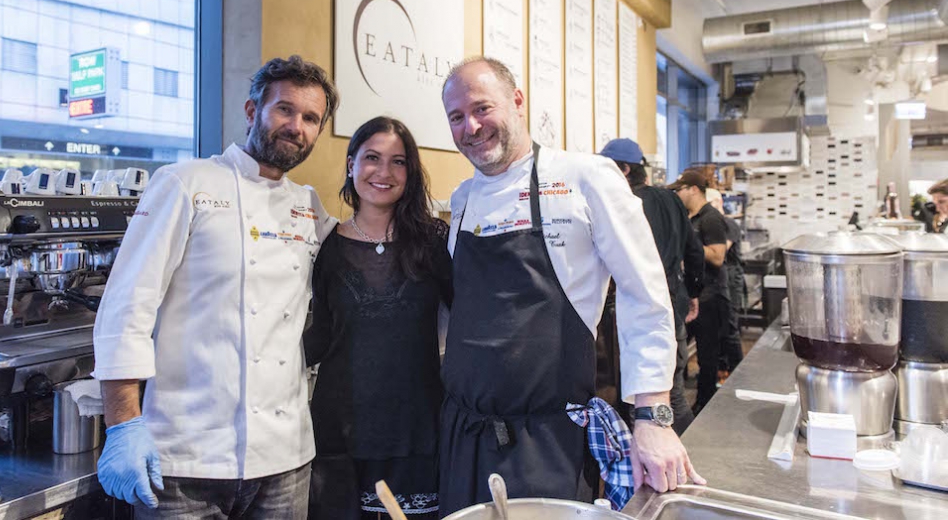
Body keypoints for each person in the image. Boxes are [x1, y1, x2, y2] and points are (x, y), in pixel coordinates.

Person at [438, 57, 704, 515]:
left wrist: (653, 416)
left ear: (517, 101)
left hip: (546, 441)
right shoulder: (462, 199)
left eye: (483, 108)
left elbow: (646, 295)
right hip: (464, 433)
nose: (471, 126)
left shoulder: (585, 178)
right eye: (457, 117)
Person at [92, 56, 339, 519]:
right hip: (183, 463)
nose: (297, 127)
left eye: (311, 118)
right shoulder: (185, 184)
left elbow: (356, 249)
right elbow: (126, 308)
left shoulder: (307, 206)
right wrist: (122, 425)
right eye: (284, 110)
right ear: (251, 111)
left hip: (285, 460)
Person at [304, 117, 452, 520]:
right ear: (351, 163)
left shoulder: (434, 242)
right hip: (339, 432)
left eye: (398, 161)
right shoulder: (327, 245)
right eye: (372, 158)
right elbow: (320, 335)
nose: (384, 173)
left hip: (415, 430)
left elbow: (470, 324)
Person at [599, 138, 704, 435]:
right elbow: (693, 250)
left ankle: (667, 459)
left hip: (639, 310)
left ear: (624, 169)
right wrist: (694, 294)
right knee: (675, 390)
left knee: (646, 398)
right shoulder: (671, 199)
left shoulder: (624, 205)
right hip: (674, 301)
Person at [669, 171, 742, 413]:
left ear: (693, 189)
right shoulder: (689, 218)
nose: (677, 195)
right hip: (692, 294)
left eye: (679, 190)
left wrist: (690, 248)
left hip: (711, 296)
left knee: (707, 354)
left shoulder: (710, 218)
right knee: (681, 349)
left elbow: (718, 256)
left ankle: (705, 404)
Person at [707, 189, 746, 384]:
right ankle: (721, 369)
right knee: (718, 327)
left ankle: (738, 372)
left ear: (718, 203)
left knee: (730, 327)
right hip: (718, 280)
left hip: (730, 279)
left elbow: (721, 250)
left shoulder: (728, 224)